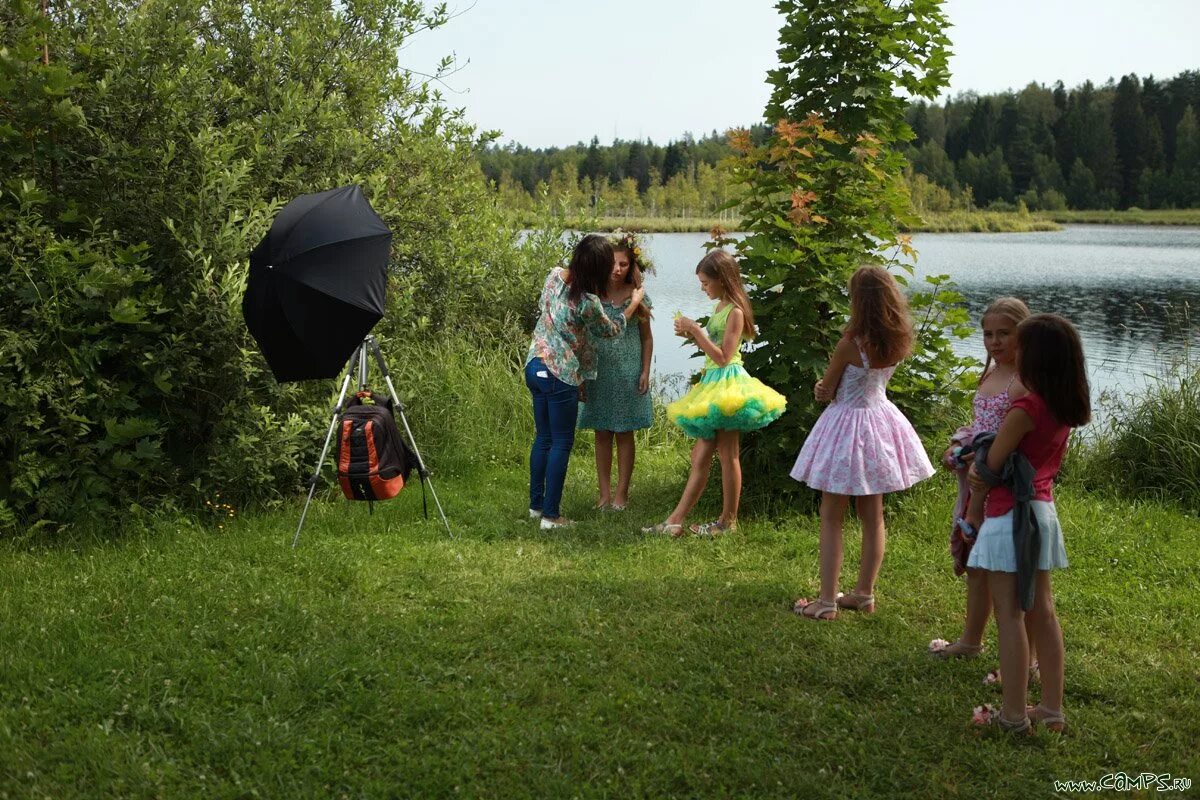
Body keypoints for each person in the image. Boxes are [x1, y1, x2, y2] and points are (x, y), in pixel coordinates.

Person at [966, 313, 1090, 733]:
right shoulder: (1063, 404)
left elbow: (992, 464)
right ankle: (1052, 709)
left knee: (1011, 615)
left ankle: (1013, 715)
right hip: (1043, 511)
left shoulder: (1024, 408)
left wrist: (974, 469)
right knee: (1043, 612)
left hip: (1009, 517)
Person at [790, 265, 935, 620]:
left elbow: (827, 390)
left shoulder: (850, 345)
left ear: (859, 302)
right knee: (873, 517)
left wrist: (820, 390)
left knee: (831, 517)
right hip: (880, 424)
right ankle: (864, 593)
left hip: (846, 427)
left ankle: (826, 602)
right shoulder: (898, 341)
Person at [642, 249, 786, 537]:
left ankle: (727, 522)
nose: (702, 288)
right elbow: (712, 353)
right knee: (701, 455)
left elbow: (724, 357)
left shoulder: (735, 311)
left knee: (728, 454)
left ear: (722, 279)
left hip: (728, 386)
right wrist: (694, 336)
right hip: (712, 383)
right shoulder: (719, 307)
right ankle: (676, 521)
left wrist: (696, 331)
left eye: (706, 283)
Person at [930, 298, 1038, 667]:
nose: (994, 341)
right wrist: (959, 447)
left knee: (1011, 573)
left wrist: (981, 464)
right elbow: (979, 428)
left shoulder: (1024, 382)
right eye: (988, 334)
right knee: (976, 564)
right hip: (975, 479)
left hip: (1001, 485)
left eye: (1004, 333)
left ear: (1024, 334)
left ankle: (1031, 656)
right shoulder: (990, 374)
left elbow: (1016, 439)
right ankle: (970, 640)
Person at [525, 234, 646, 530]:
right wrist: (633, 304)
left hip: (534, 365)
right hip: (559, 374)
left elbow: (545, 307)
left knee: (543, 438)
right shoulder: (588, 302)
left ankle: (536, 507)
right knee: (561, 443)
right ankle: (552, 517)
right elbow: (612, 330)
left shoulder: (553, 276)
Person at [578, 232, 654, 511]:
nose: (616, 269)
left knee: (624, 432)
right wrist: (581, 373)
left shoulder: (638, 296)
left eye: (623, 264)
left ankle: (622, 494)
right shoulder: (593, 293)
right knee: (601, 432)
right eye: (612, 263)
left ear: (630, 266)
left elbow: (647, 337)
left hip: (627, 371)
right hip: (598, 372)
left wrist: (645, 370)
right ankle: (604, 495)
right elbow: (583, 335)